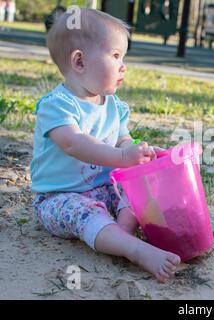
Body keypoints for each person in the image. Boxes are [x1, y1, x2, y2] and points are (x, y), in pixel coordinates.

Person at [30, 8, 180, 282]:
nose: (123, 65)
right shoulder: (57, 106)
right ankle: (134, 250)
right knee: (85, 214)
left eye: (123, 56)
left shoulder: (113, 106)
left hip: (104, 189)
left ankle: (119, 234)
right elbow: (74, 144)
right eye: (115, 56)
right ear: (79, 61)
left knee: (137, 189)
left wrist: (138, 151)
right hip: (60, 197)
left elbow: (123, 138)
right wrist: (122, 156)